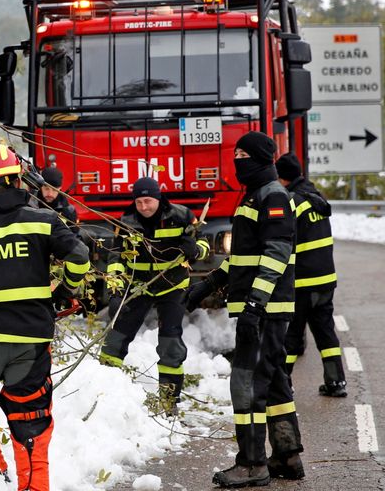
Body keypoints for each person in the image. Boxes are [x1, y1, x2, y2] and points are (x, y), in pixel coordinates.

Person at [0, 142, 90, 491]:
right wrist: (65, 292)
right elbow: (80, 257)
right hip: (32, 342)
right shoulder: (44, 221)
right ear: (19, 180)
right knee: (30, 421)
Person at [185, 132, 305, 487]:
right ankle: (286, 454)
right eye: (235, 154)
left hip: (265, 308)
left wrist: (255, 304)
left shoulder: (273, 196)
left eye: (243, 154)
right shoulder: (254, 196)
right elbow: (242, 259)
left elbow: (276, 254)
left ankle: (251, 464)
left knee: (246, 383)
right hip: (262, 306)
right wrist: (210, 284)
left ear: (260, 159)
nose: (237, 160)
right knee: (275, 382)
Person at [99, 177, 209, 414]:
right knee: (115, 340)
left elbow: (203, 242)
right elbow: (116, 256)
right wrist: (115, 289)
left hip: (172, 286)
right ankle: (104, 397)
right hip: (139, 286)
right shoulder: (126, 221)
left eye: (148, 201)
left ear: (158, 198)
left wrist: (197, 250)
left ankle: (169, 403)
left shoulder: (181, 216)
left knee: (170, 342)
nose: (144, 207)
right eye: (138, 202)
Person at [275, 153, 347, 397]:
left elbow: (283, 239)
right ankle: (336, 382)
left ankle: (283, 386)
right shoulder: (317, 197)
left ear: (281, 178)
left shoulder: (293, 202)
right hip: (325, 280)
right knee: (325, 332)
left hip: (302, 282)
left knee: (292, 336)